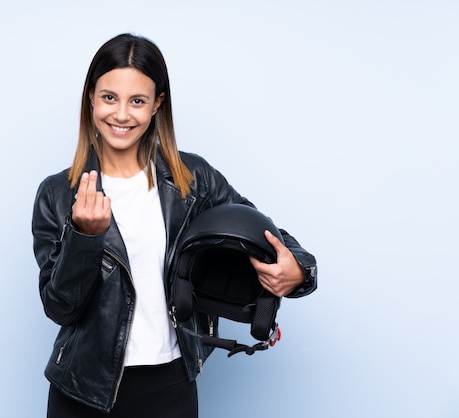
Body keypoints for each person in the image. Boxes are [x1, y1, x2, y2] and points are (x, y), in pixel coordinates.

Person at [32, 33, 317, 418]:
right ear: (91, 99)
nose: (120, 114)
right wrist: (86, 236)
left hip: (170, 386)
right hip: (83, 391)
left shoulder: (191, 179)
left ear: (156, 105)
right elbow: (60, 307)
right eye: (109, 97)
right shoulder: (57, 193)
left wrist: (298, 271)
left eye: (137, 101)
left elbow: (268, 236)